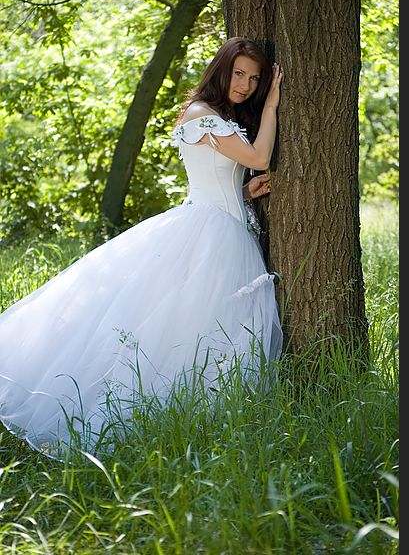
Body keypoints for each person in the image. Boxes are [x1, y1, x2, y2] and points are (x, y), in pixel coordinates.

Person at [0, 37, 283, 453]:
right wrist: (273, 104)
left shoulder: (212, 118)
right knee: (177, 325)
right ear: (222, 70)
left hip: (221, 225)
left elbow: (214, 180)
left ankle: (203, 419)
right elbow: (259, 157)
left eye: (256, 80)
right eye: (239, 73)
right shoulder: (201, 115)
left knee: (203, 327)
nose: (246, 85)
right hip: (210, 232)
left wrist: (243, 194)